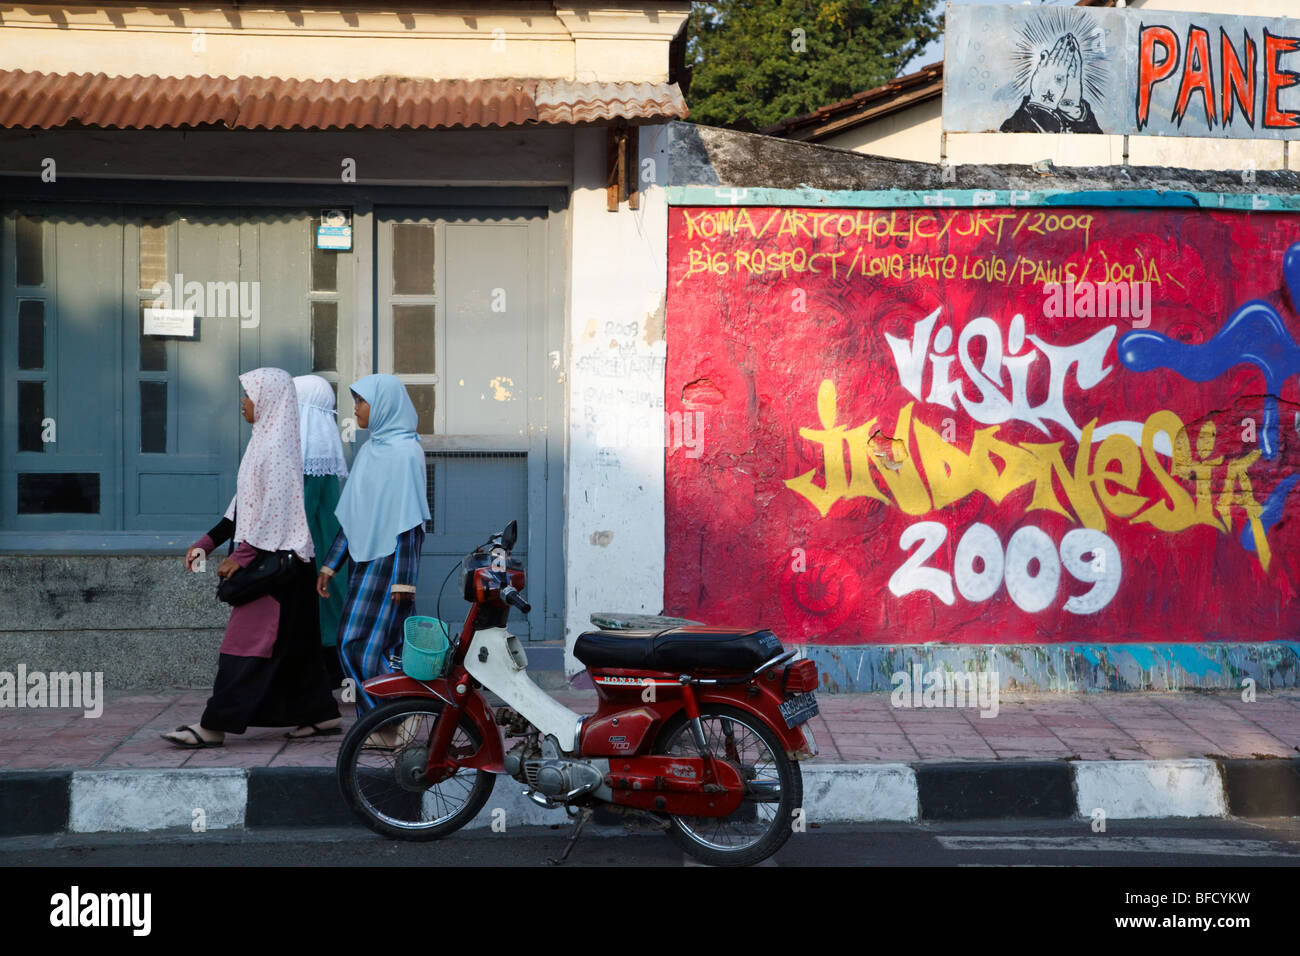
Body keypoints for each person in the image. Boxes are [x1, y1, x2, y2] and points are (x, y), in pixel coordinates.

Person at [163, 368, 341, 747]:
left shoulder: (276, 448)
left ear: (268, 401)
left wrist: (242, 555)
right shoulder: (266, 442)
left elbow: (273, 510)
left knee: (244, 646)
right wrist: (208, 542)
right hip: (289, 569)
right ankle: (321, 715)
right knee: (296, 648)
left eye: (249, 395)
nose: (243, 403)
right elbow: (243, 508)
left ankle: (214, 726)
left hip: (275, 570)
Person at [316, 374, 429, 725]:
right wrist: (331, 564)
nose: (356, 409)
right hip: (364, 560)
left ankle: (389, 719)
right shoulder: (371, 450)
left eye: (361, 401)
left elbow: (410, 522)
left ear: (382, 406)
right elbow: (355, 514)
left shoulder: (406, 453)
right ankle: (396, 718)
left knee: (356, 642)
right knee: (377, 646)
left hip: (389, 565)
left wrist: (405, 580)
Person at [294, 374, 350, 688]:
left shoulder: (308, 445)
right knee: (330, 606)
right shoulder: (319, 442)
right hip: (327, 538)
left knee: (322, 608)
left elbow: (302, 505)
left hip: (314, 543)